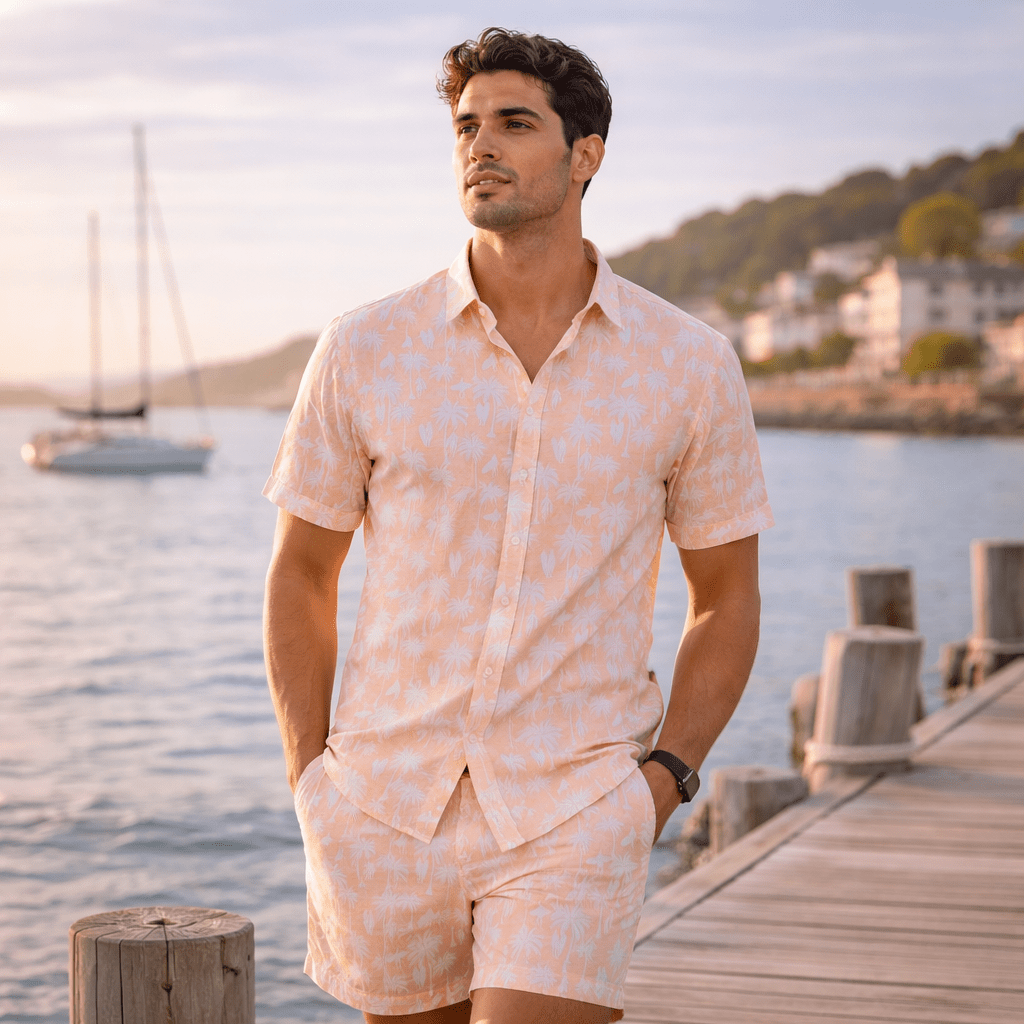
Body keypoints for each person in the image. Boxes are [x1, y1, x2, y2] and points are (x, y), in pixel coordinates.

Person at [263, 26, 772, 1024]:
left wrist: (664, 780)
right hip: (381, 808)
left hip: (576, 806)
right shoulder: (364, 350)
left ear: (585, 155)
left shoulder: (687, 363)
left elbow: (726, 597)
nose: (477, 145)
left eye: (512, 122)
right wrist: (311, 780)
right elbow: (300, 574)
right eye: (463, 125)